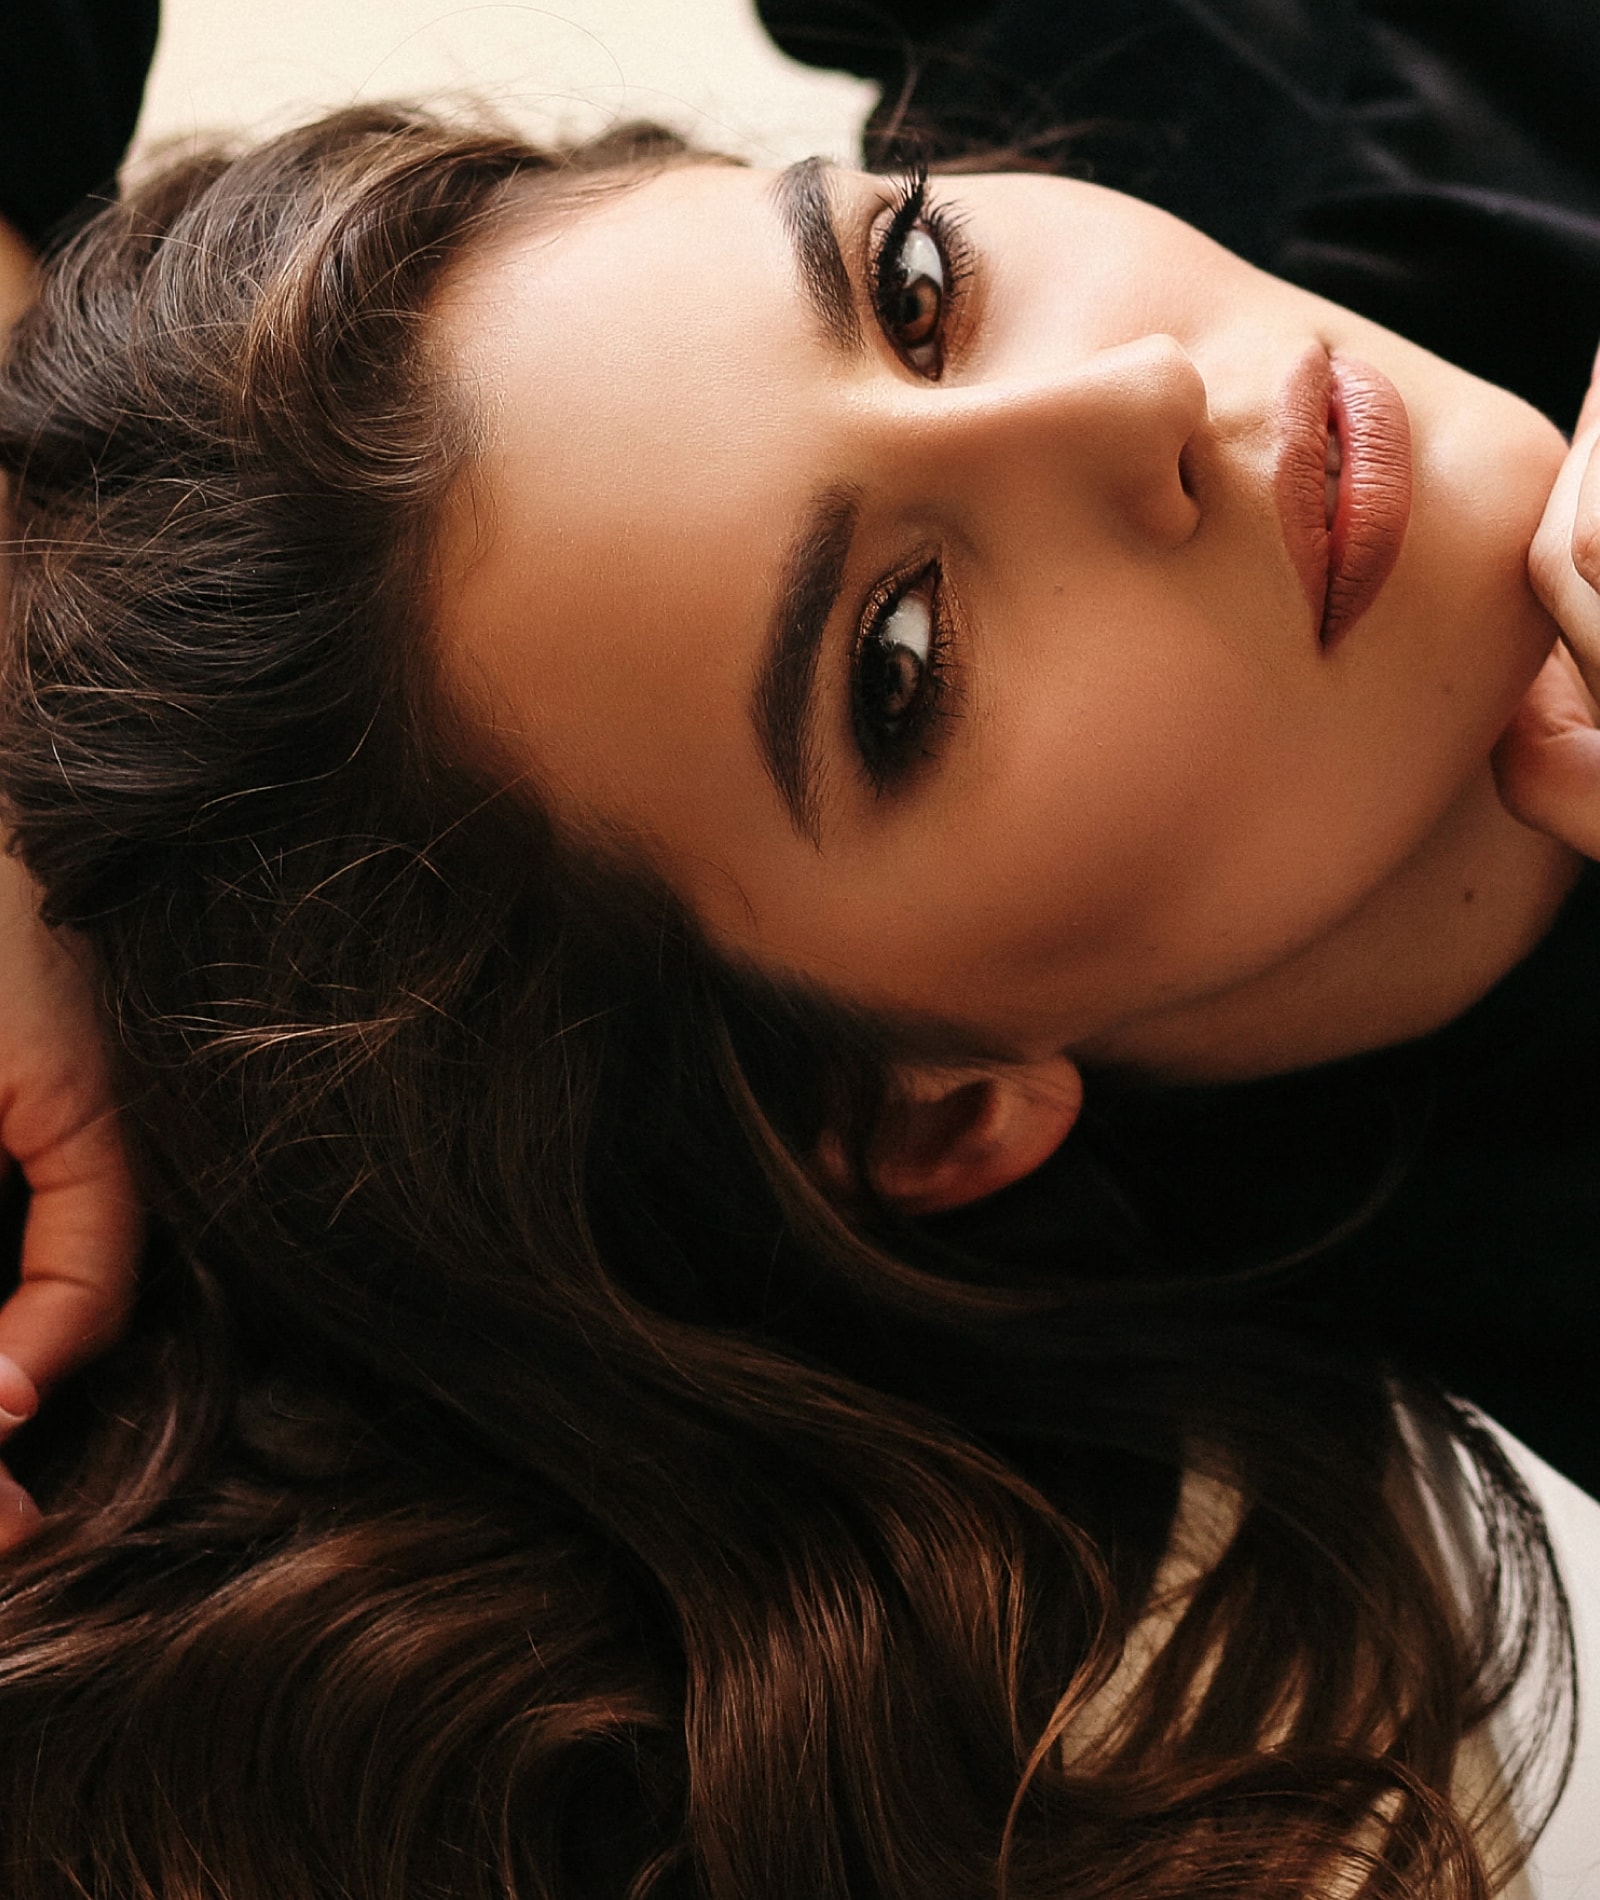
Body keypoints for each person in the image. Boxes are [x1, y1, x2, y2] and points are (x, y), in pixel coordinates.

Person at [0, 8, 1595, 1898]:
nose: (1131, 399)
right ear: (929, 1112)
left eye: (913, 284)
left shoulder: (1225, 75)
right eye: (899, 668)